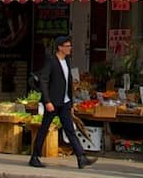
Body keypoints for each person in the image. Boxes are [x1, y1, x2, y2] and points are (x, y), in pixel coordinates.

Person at [30, 37, 97, 169]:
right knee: (44, 129)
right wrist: (47, 101)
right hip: (53, 102)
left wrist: (70, 103)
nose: (70, 48)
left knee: (70, 130)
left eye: (70, 46)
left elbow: (68, 83)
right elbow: (43, 81)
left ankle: (81, 157)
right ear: (60, 47)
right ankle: (34, 157)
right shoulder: (51, 61)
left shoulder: (66, 60)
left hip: (65, 102)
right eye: (67, 46)